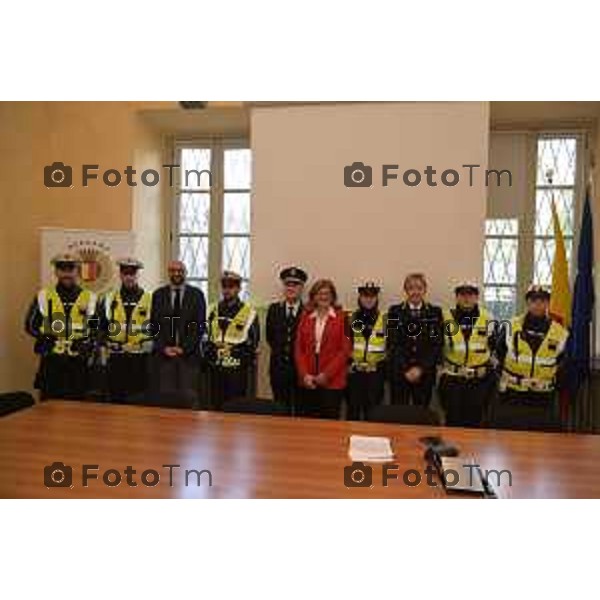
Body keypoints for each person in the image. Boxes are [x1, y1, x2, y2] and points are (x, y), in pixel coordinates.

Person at [25, 253, 98, 400]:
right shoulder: (43, 296)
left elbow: (96, 328)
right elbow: (30, 325)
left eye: (70, 269)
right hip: (51, 362)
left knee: (76, 412)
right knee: (47, 412)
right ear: (56, 271)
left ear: (77, 271)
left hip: (78, 363)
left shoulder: (90, 297)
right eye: (62, 269)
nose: (66, 273)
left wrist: (87, 343)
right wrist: (44, 337)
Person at [496, 285, 569, 426]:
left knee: (540, 441)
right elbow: (499, 353)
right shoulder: (510, 326)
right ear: (527, 303)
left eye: (542, 301)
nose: (538, 304)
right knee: (512, 440)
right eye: (533, 300)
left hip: (542, 396)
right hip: (513, 393)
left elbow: (562, 363)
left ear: (548, 303)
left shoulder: (561, 332)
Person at [438, 281, 497, 427]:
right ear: (456, 297)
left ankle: (474, 450)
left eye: (470, 294)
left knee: (476, 423)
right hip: (453, 380)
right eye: (462, 294)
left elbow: (495, 347)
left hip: (480, 382)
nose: (466, 298)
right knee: (452, 421)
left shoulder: (488, 318)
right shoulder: (445, 318)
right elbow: (436, 346)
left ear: (476, 297)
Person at [149, 260, 206, 407]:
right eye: (173, 270)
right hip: (164, 358)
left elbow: (199, 326)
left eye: (180, 270)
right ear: (168, 273)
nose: (176, 273)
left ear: (185, 273)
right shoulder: (158, 295)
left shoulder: (197, 295)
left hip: (189, 357)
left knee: (189, 399)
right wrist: (164, 348)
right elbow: (154, 326)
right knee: (166, 400)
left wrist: (184, 348)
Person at [294, 279, 351, 419]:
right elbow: (298, 349)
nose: (323, 297)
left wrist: (326, 375)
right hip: (308, 380)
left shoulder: (343, 318)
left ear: (333, 296)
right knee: (307, 424)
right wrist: (304, 375)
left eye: (327, 293)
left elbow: (344, 351)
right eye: (319, 293)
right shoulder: (305, 317)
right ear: (313, 296)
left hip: (333, 381)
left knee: (329, 425)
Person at [99, 258, 152, 403]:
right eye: (125, 273)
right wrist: (106, 342)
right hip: (116, 360)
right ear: (120, 275)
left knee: (138, 402)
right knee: (116, 402)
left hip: (140, 361)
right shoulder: (108, 299)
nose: (129, 277)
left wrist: (147, 343)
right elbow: (98, 327)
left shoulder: (150, 299)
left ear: (137, 275)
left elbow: (157, 329)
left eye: (132, 273)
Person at [205, 271, 260, 410]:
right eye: (224, 286)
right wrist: (212, 355)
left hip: (237, 370)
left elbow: (252, 343)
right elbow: (205, 337)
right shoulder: (211, 310)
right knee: (215, 407)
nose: (227, 290)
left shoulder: (249, 312)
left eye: (232, 286)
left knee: (236, 408)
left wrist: (233, 353)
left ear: (239, 288)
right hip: (216, 369)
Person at [387, 273, 443, 407]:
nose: (415, 292)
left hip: (425, 374)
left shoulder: (435, 312)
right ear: (405, 290)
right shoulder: (394, 312)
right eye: (411, 288)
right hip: (400, 373)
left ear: (425, 290)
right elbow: (393, 343)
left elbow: (436, 344)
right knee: (399, 415)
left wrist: (420, 369)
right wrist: (406, 369)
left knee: (422, 414)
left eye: (419, 288)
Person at [266, 266, 308, 413]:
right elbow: (270, 337)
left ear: (302, 287)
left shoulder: (308, 312)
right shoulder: (274, 310)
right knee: (280, 409)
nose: (291, 288)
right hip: (278, 369)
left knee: (301, 409)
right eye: (287, 284)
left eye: (295, 284)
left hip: (300, 370)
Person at [347, 282, 386, 421]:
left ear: (377, 298)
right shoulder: (350, 317)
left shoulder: (387, 318)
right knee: (353, 413)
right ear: (360, 298)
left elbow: (392, 347)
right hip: (355, 375)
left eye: (372, 296)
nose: (368, 299)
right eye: (365, 296)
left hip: (376, 375)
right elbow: (345, 344)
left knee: (374, 414)